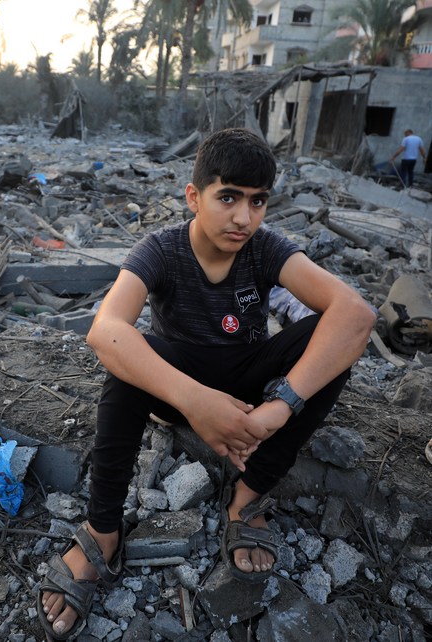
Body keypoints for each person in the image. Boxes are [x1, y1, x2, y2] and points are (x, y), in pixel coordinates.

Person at [36, 128, 376, 640]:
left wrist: (279, 407)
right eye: (228, 198)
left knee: (333, 339)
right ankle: (102, 528)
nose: (244, 217)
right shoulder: (162, 250)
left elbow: (356, 313)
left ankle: (246, 497)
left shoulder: (265, 249)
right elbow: (103, 330)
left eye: (257, 201)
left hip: (249, 378)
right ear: (194, 196)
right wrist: (196, 403)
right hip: (179, 386)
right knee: (127, 357)